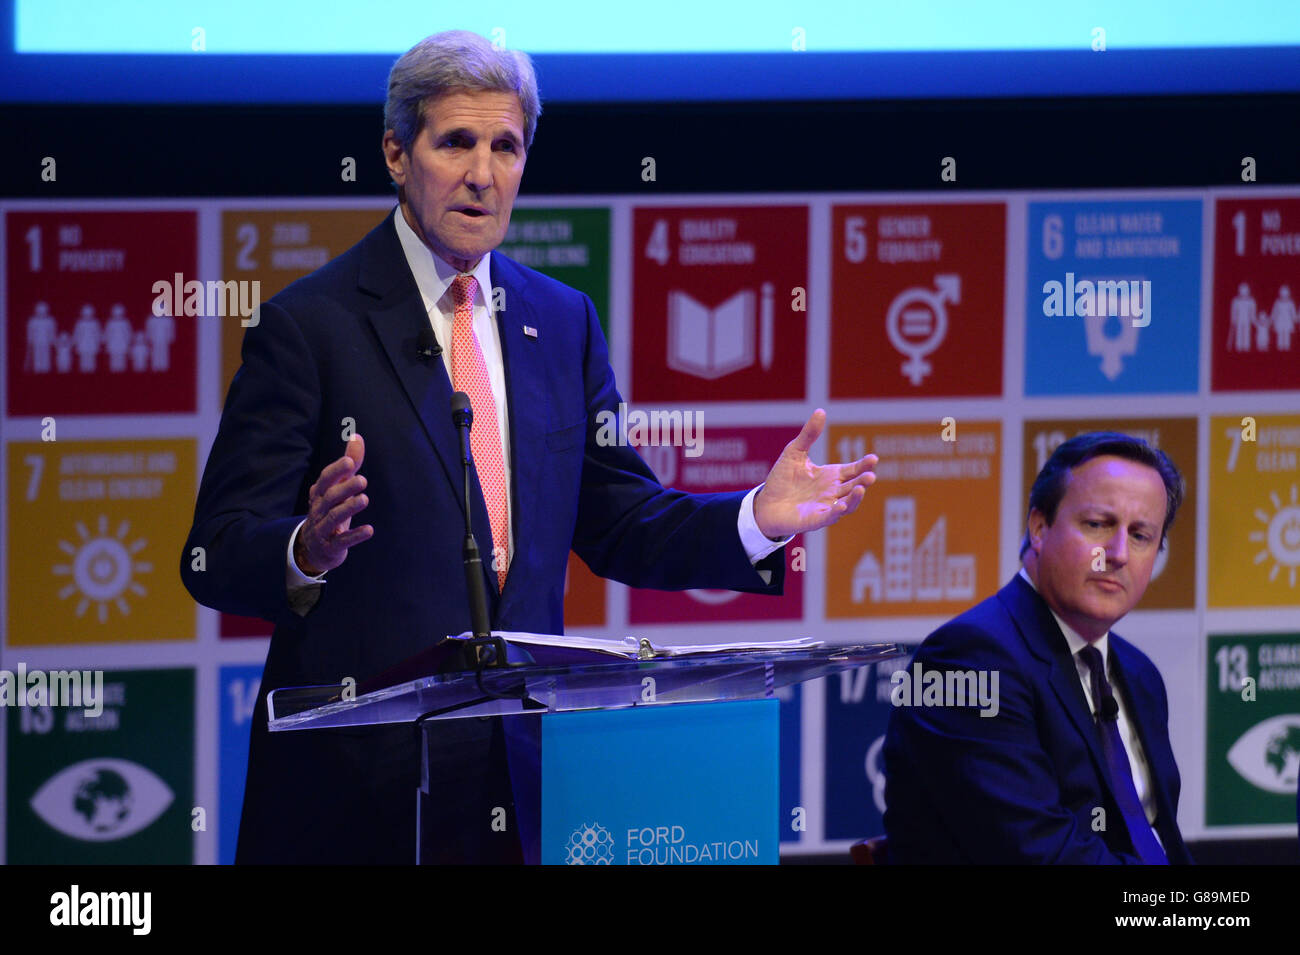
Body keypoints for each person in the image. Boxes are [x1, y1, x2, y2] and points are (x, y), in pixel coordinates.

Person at [180, 30, 878, 864]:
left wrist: (755, 520)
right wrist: (306, 546)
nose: (483, 173)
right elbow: (213, 552)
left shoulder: (562, 321)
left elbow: (621, 518)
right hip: (353, 800)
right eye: (456, 143)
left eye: (505, 146)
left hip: (515, 784)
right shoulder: (311, 326)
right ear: (397, 154)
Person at [882, 432, 1192, 864]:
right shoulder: (966, 661)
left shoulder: (1140, 676)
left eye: (1141, 535)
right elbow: (1038, 855)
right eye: (1098, 524)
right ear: (1040, 528)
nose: (1118, 554)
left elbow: (1161, 842)